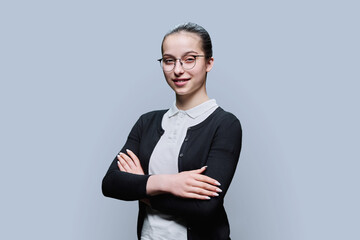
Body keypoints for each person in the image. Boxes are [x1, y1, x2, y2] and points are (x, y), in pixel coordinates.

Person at [102, 22, 242, 240]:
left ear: (209, 63)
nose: (178, 70)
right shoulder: (146, 122)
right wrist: (169, 183)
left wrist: (142, 186)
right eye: (169, 60)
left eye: (189, 59)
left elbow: (205, 208)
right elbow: (111, 183)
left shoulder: (225, 124)